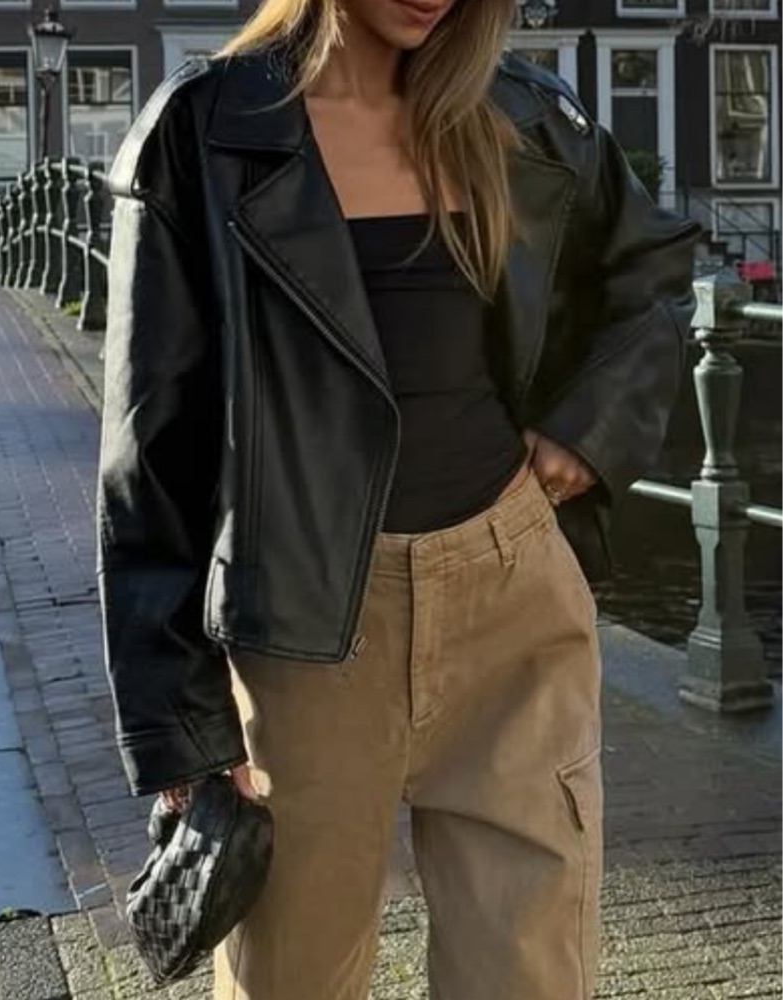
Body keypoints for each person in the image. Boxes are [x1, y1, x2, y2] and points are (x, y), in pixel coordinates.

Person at [97, 1, 701, 998]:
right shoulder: (204, 131)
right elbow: (149, 442)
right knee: (292, 977)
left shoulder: (528, 116)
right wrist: (179, 723)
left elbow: (652, 269)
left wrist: (587, 429)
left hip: (515, 596)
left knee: (532, 975)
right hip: (302, 627)